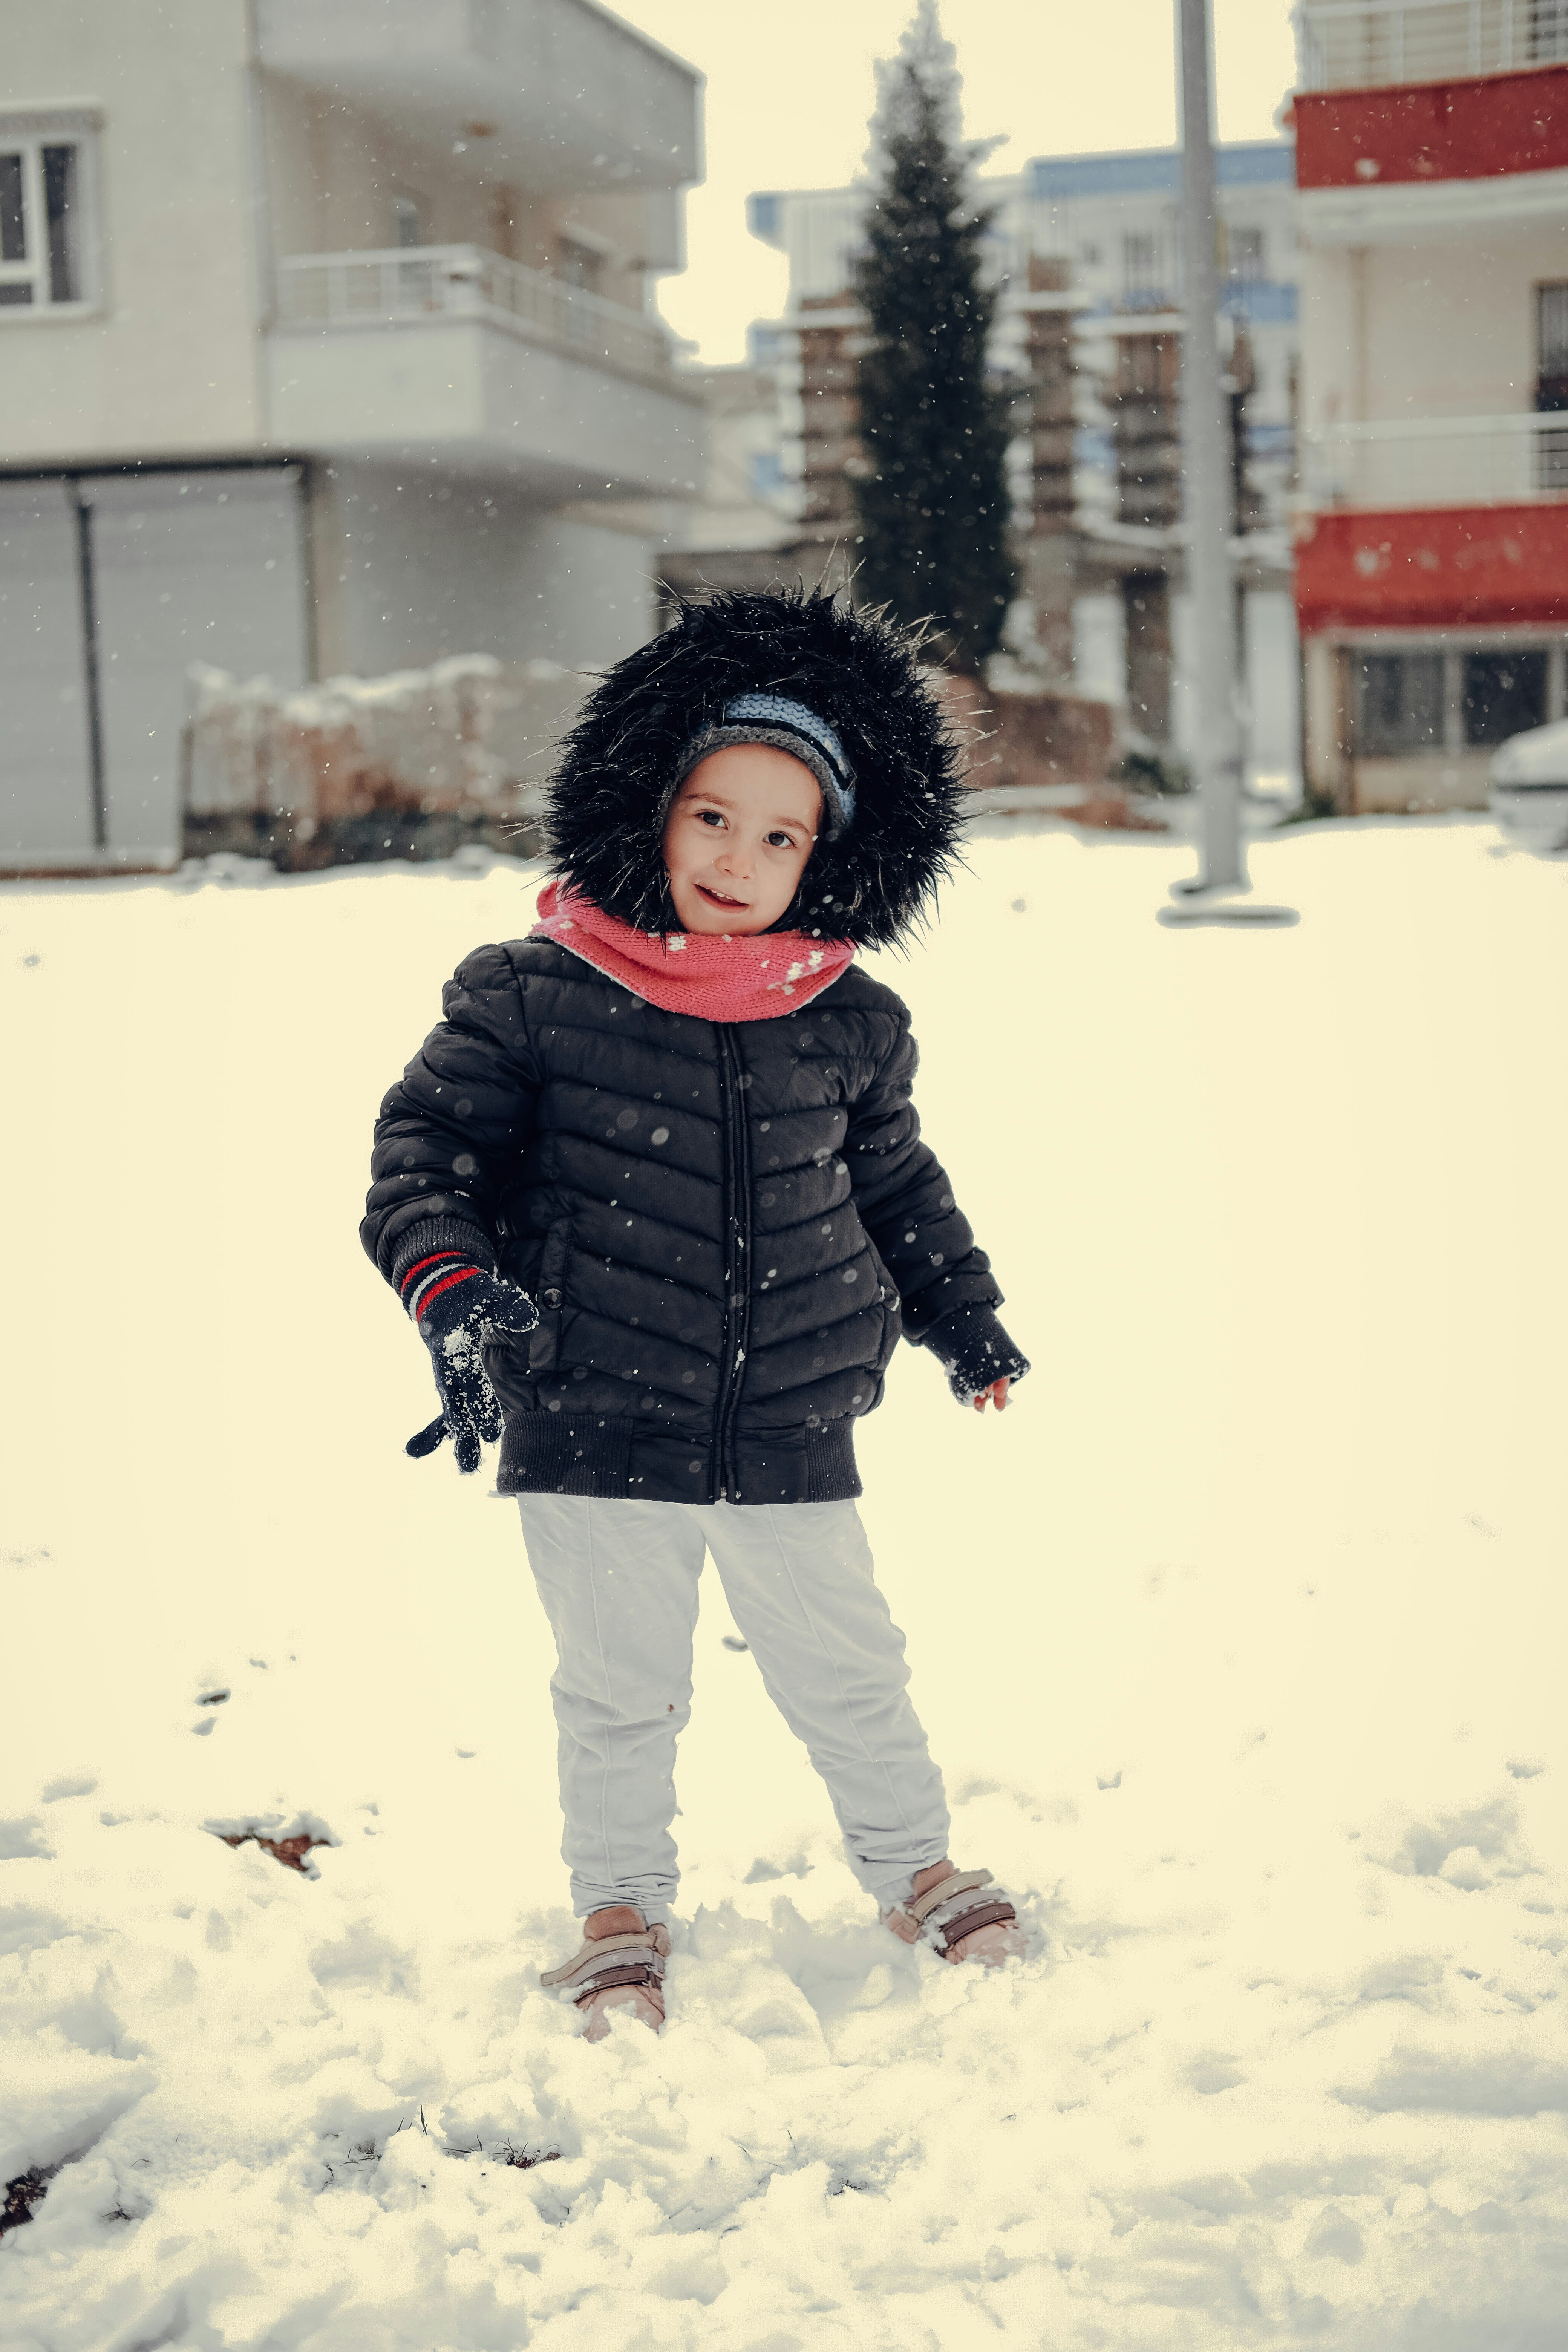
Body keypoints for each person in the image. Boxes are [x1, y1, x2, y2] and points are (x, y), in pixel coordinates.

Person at [362, 589, 1030, 2038]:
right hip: (594, 1403)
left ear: (831, 856)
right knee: (620, 1690)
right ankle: (617, 1908)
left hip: (791, 1410)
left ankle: (916, 1865)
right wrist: (455, 1290)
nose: (740, 859)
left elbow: (899, 1186)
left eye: (782, 836)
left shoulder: (846, 1018)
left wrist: (959, 1314)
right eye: (713, 817)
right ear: (651, 805)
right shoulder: (539, 995)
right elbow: (425, 1155)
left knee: (851, 1666)